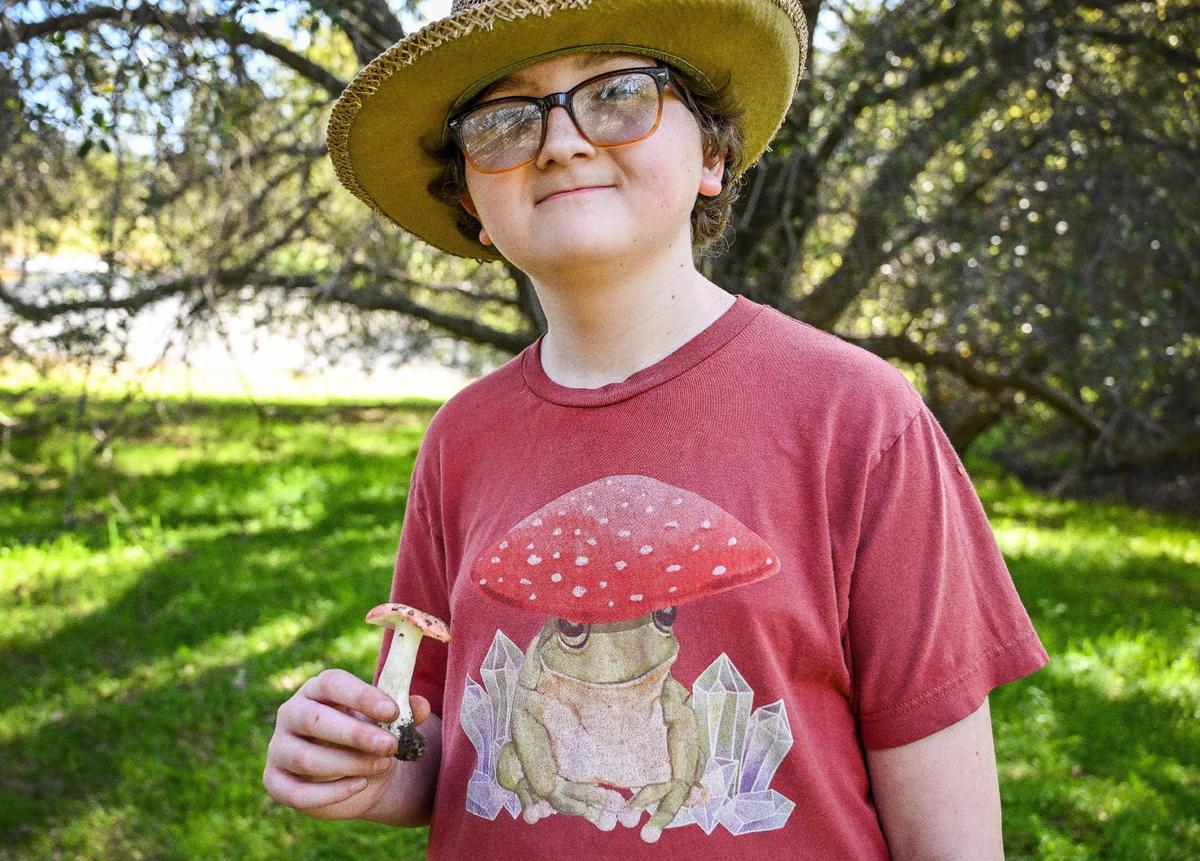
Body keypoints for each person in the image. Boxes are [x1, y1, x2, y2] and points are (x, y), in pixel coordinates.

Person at [264, 1, 1050, 857]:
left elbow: (952, 830)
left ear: (712, 153)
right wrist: (378, 768)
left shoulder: (858, 418)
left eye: (619, 93)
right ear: (472, 202)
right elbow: (452, 744)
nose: (562, 141)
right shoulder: (460, 439)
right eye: (504, 120)